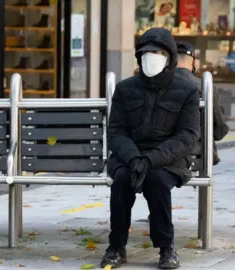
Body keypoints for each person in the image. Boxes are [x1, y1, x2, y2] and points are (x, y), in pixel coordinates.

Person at [101, 28, 200, 269]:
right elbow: (116, 131)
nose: (150, 56)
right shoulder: (125, 89)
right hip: (129, 157)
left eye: (157, 52)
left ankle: (167, 248)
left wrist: (150, 160)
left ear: (169, 56)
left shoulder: (187, 90)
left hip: (168, 160)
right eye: (145, 52)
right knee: (123, 180)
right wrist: (135, 158)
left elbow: (187, 136)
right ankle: (116, 246)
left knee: (156, 181)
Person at [175, 41, 229, 164]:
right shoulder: (205, 87)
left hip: (162, 154)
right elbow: (219, 132)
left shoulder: (158, 87)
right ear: (193, 62)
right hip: (199, 154)